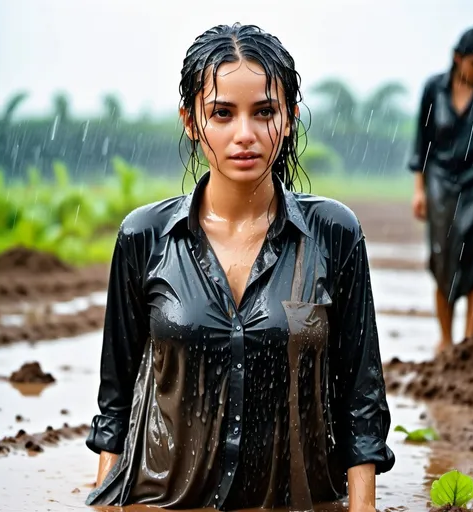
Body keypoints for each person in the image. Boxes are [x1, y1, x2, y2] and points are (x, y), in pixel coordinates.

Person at [85, 23, 394, 512]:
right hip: (163, 502)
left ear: (290, 118)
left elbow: (361, 396)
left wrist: (363, 508)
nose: (244, 135)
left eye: (264, 112)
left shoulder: (334, 233)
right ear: (191, 121)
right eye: (222, 114)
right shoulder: (144, 237)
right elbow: (115, 403)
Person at [409, 27, 473, 353]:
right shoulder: (434, 88)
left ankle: (468, 341)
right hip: (439, 183)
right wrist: (420, 190)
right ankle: (445, 337)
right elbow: (422, 142)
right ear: (458, 59)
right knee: (443, 260)